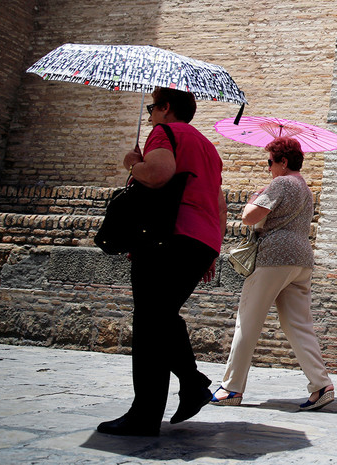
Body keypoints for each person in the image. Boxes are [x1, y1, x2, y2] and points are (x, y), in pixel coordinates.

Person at [97, 87, 227, 436]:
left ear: (166, 108)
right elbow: (219, 203)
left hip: (168, 238)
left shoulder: (164, 133)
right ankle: (191, 385)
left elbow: (158, 174)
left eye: (152, 108)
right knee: (161, 318)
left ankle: (149, 412)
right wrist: (213, 249)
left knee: (149, 323)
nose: (149, 114)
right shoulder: (209, 148)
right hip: (201, 240)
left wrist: (131, 162)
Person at [210, 137, 334, 411]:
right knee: (298, 324)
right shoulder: (305, 188)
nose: (268, 168)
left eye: (270, 162)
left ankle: (231, 388)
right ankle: (321, 384)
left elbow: (249, 217)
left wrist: (257, 195)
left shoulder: (281, 183)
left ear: (283, 162)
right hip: (301, 259)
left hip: (274, 257)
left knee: (248, 320)